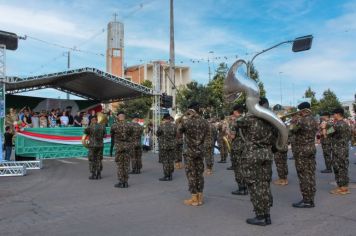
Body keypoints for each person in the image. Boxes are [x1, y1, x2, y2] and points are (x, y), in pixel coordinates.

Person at [240, 97, 276, 226]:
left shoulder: (249, 119)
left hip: (252, 155)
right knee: (264, 184)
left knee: (254, 185)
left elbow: (236, 124)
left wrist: (250, 111)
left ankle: (260, 216)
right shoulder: (273, 120)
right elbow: (277, 138)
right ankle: (267, 215)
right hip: (267, 154)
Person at [178, 101, 209, 206]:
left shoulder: (186, 122)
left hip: (189, 152)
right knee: (199, 174)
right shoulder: (205, 122)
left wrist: (183, 116)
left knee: (191, 174)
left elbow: (178, 132)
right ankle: (200, 197)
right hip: (200, 151)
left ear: (190, 110)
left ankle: (194, 198)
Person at [290, 102, 318, 208]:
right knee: (310, 174)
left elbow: (291, 131)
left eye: (299, 111)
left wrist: (293, 122)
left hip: (302, 150)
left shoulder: (301, 121)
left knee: (303, 175)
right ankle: (310, 199)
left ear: (302, 110)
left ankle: (306, 200)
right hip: (311, 148)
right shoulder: (314, 120)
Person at [325, 108, 352, 195]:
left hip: (338, 150)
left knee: (339, 168)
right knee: (343, 167)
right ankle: (343, 186)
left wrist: (323, 128)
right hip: (344, 149)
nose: (333, 116)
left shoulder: (337, 125)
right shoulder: (346, 124)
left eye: (334, 114)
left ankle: (342, 188)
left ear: (337, 114)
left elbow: (327, 134)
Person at [230, 104, 248, 195]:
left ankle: (241, 189)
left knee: (238, 168)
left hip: (237, 147)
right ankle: (246, 187)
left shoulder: (236, 121)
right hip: (246, 146)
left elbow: (232, 136)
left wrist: (227, 132)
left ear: (236, 111)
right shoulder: (247, 119)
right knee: (244, 167)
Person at [111, 111, 133, 188]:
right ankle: (126, 182)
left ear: (118, 117)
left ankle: (121, 182)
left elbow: (112, 136)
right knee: (126, 164)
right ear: (124, 116)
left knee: (120, 165)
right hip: (127, 146)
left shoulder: (114, 126)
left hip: (119, 147)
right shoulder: (129, 125)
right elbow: (131, 135)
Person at [157, 114, 177, 181]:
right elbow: (176, 134)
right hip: (172, 145)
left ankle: (166, 176)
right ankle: (170, 175)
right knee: (171, 160)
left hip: (164, 146)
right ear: (169, 118)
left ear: (164, 119)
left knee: (165, 161)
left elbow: (157, 134)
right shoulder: (174, 126)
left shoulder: (161, 126)